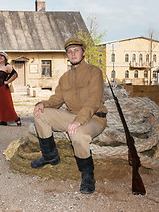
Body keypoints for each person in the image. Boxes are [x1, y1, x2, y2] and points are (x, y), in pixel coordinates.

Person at [31, 38, 107, 194]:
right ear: (67, 55)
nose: (73, 54)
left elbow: (93, 101)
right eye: (69, 52)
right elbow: (57, 99)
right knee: (40, 114)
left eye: (76, 50)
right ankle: (50, 157)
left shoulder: (95, 72)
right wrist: (43, 104)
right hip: (72, 116)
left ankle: (87, 175)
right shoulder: (64, 78)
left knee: (78, 135)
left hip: (94, 118)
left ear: (84, 52)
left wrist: (78, 121)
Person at [0, 51, 21, 126]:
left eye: (2, 56)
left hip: (2, 88)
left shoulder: (7, 66)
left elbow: (15, 74)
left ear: (5, 58)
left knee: (6, 104)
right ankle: (2, 120)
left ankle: (17, 119)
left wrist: (7, 82)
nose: (0, 57)